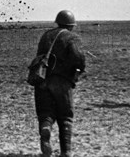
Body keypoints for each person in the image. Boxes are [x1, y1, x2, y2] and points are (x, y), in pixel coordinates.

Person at [34, 10, 86, 157]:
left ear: (57, 21)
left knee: (45, 113)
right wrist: (78, 71)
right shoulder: (72, 37)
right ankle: (66, 152)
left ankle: (46, 129)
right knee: (65, 117)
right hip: (62, 82)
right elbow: (78, 59)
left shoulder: (46, 35)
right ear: (71, 25)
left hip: (42, 80)